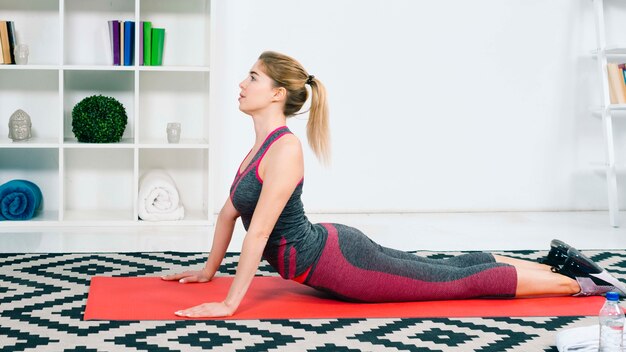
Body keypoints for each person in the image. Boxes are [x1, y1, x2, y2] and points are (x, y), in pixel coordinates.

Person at [163, 51, 626, 318]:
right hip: (334, 245)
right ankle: (555, 266)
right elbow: (229, 215)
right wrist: (207, 270)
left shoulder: (284, 149)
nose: (241, 84)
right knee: (448, 267)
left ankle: (586, 284)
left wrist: (228, 303)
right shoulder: (258, 148)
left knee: (454, 284)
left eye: (253, 77)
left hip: (340, 263)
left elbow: (259, 232)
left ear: (277, 94)